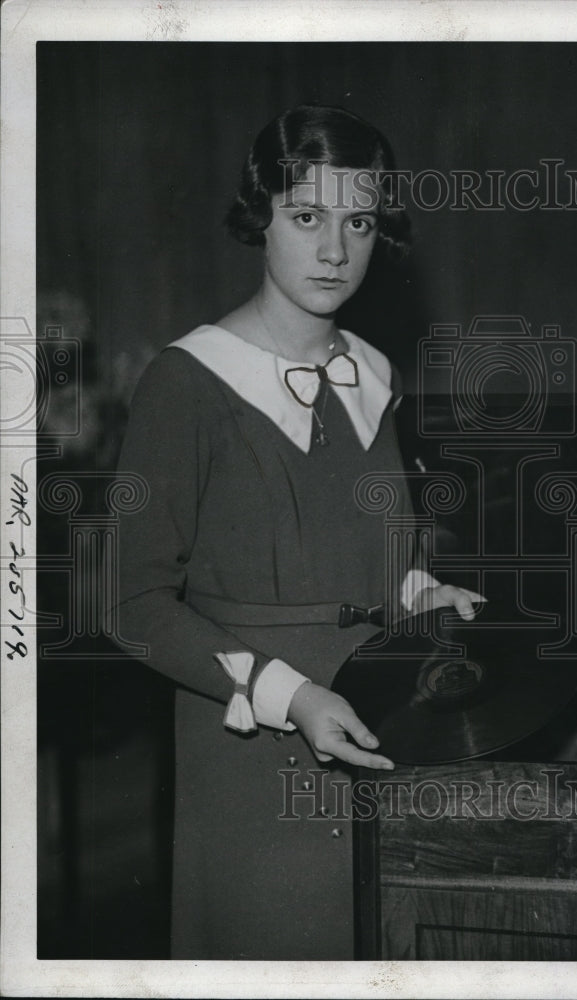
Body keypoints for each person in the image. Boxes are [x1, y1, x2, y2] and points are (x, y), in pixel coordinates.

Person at [114, 104, 481, 960]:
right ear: (260, 216)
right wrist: (291, 696)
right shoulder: (187, 382)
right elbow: (128, 602)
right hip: (254, 758)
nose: (333, 251)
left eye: (358, 222)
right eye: (306, 216)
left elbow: (381, 546)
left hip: (379, 739)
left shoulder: (371, 371)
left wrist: (422, 592)